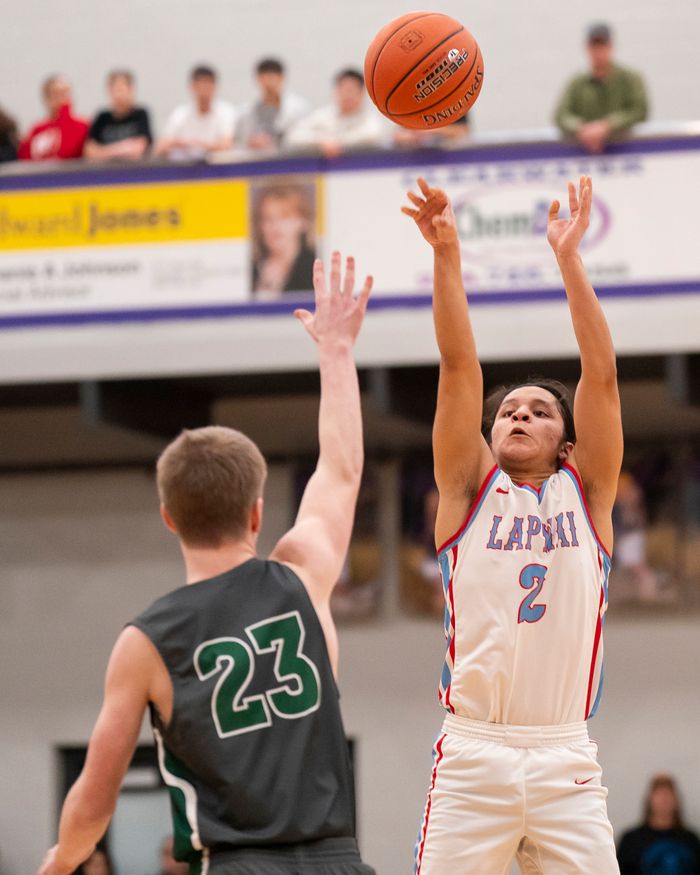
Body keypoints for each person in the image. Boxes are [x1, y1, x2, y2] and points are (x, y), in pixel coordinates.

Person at [37, 252, 375, 875]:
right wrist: (336, 350)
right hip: (338, 860)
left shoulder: (145, 641)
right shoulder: (301, 574)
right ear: (256, 512)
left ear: (169, 517)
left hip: (237, 864)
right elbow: (342, 467)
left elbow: (96, 794)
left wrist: (63, 861)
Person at [402, 175, 623, 873]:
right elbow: (459, 367)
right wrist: (445, 254)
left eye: (539, 409)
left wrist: (569, 260)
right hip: (473, 754)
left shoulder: (588, 497)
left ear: (567, 444)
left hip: (564, 752)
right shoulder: (468, 490)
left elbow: (602, 374)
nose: (519, 413)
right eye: (508, 412)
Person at [554, 23, 648, 154]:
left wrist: (608, 125)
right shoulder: (576, 83)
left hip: (626, 152)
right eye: (594, 45)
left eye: (602, 45)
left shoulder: (631, 79)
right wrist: (582, 128)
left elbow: (640, 111)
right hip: (586, 156)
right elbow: (560, 115)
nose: (598, 51)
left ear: (611, 46)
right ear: (587, 48)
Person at [286, 68, 385, 157]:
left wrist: (337, 143)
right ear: (336, 91)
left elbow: (373, 135)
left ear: (362, 93)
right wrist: (322, 142)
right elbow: (294, 135)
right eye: (343, 89)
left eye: (351, 90)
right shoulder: (322, 116)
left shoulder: (369, 119)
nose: (347, 95)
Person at [617, 774, 700, 874]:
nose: (664, 799)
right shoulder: (631, 840)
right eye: (659, 794)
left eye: (668, 794)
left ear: (676, 800)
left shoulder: (690, 840)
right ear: (649, 800)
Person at [156, 65, 235, 160]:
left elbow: (226, 145)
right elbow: (160, 147)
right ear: (192, 87)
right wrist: (180, 144)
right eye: (200, 85)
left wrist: (195, 145)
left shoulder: (226, 112)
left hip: (218, 170)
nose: (204, 91)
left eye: (208, 85)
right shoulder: (180, 114)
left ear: (215, 87)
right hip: (185, 169)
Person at [251, 183, 316, 297]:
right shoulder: (252, 269)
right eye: (267, 218)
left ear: (303, 221)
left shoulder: (313, 268)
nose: (275, 226)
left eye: (284, 217)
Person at [235, 57, 308, 152]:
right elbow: (240, 142)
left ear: (281, 78)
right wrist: (250, 142)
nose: (268, 83)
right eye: (264, 78)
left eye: (272, 77)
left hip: (289, 161)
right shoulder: (245, 112)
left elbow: (304, 138)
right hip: (258, 161)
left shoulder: (299, 108)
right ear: (257, 79)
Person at [84, 70, 152, 162]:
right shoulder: (102, 117)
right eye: (115, 89)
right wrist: (125, 147)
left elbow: (139, 147)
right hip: (106, 171)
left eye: (122, 89)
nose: (119, 94)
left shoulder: (140, 114)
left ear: (131, 89)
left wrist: (102, 151)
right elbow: (89, 150)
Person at [18, 75, 88, 161]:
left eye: (66, 93)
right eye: (57, 93)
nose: (63, 98)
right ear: (46, 98)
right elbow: (25, 158)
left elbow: (67, 152)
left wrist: (65, 114)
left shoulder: (81, 125)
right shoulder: (37, 129)